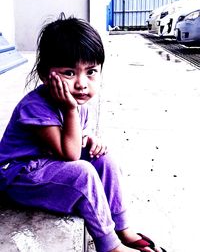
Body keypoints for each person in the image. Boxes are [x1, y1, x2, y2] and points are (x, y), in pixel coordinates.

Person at [0, 13, 166, 252]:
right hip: (17, 177)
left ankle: (122, 227)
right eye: (69, 72)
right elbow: (69, 155)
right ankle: (109, 246)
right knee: (82, 173)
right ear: (46, 74)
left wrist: (90, 140)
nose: (81, 83)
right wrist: (69, 110)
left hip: (46, 162)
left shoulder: (80, 106)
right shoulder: (35, 107)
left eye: (91, 71)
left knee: (104, 159)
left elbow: (77, 140)